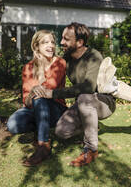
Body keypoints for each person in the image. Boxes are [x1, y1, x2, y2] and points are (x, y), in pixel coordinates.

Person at [32, 22, 116, 167]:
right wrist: (41, 61)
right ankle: (92, 125)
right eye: (62, 38)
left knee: (84, 97)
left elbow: (88, 87)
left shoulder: (94, 56)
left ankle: (91, 149)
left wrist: (52, 93)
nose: (61, 42)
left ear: (79, 42)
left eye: (66, 39)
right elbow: (53, 68)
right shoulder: (68, 57)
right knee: (61, 132)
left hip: (104, 102)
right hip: (83, 104)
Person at [7, 30, 67, 167]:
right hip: (35, 108)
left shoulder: (60, 63)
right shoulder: (28, 67)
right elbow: (26, 101)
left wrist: (36, 88)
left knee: (40, 97)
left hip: (56, 109)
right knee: (13, 125)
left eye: (52, 42)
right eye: (45, 42)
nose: (51, 46)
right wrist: (33, 91)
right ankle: (40, 128)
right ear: (36, 46)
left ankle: (43, 145)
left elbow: (49, 88)